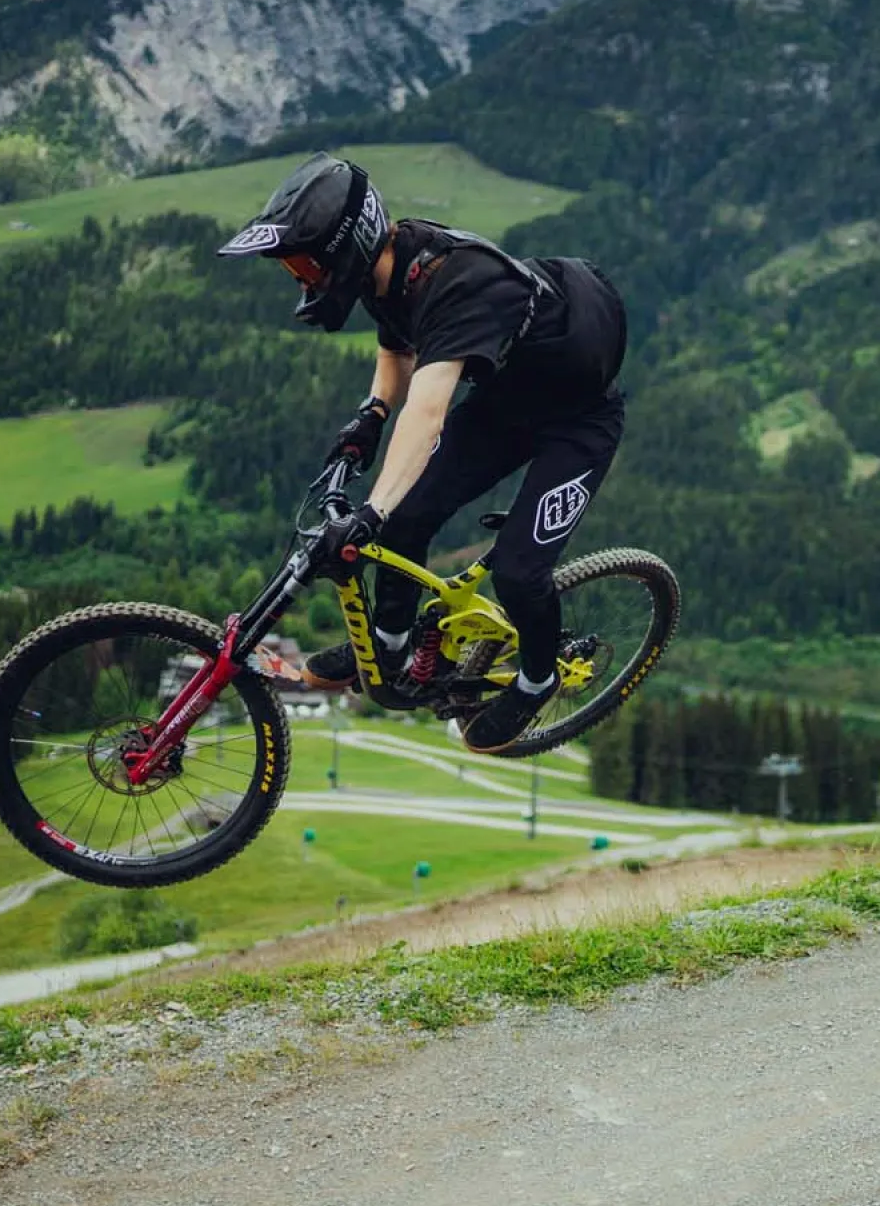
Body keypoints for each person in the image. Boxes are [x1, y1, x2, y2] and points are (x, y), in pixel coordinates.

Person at [219, 152, 626, 755]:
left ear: (344, 246)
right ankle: (386, 650)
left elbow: (430, 411)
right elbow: (397, 350)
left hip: (579, 423)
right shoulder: (391, 268)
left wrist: (370, 510)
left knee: (518, 571)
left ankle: (536, 679)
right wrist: (371, 416)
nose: (301, 279)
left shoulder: (460, 282)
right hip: (507, 406)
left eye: (304, 264)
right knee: (409, 516)